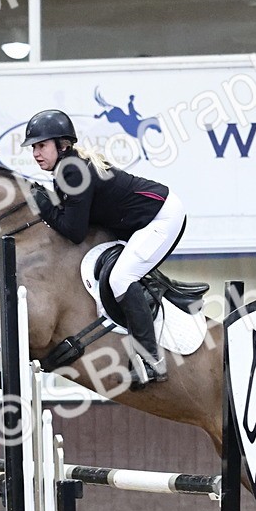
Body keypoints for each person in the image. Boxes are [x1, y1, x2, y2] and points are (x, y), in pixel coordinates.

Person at [22, 109, 186, 385]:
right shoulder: (68, 167)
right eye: (34, 148)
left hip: (162, 217)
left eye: (41, 146)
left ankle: (152, 360)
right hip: (140, 221)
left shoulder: (72, 170)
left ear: (62, 145)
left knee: (121, 277)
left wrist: (45, 205)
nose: (36, 153)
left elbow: (74, 232)